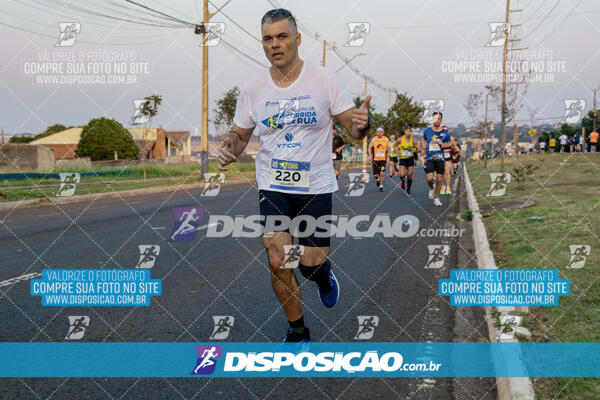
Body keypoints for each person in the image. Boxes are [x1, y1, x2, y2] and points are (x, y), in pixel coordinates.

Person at [217, 8, 371, 348]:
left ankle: (323, 274)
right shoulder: (254, 90)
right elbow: (241, 136)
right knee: (278, 258)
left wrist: (362, 122)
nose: (275, 44)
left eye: (282, 36)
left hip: (315, 186)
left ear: (297, 39)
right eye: (268, 38)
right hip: (273, 185)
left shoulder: (324, 81)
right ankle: (298, 329)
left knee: (309, 262)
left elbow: (352, 126)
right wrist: (232, 148)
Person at [422, 112, 451, 206]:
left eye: (439, 118)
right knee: (429, 178)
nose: (437, 120)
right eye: (435, 118)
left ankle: (437, 198)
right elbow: (424, 140)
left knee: (439, 179)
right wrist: (424, 148)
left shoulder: (445, 133)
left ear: (441, 120)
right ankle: (431, 188)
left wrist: (444, 145)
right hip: (430, 158)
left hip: (440, 159)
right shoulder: (427, 131)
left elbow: (450, 144)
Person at [393, 125, 420, 195]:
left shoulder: (413, 140)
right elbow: (394, 146)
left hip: (410, 159)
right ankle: (402, 181)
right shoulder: (400, 139)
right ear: (405, 131)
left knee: (410, 174)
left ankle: (408, 189)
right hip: (402, 159)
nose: (408, 132)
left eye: (409, 131)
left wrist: (416, 151)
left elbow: (419, 148)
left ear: (411, 132)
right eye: (407, 131)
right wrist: (397, 151)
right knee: (402, 174)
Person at [368, 127, 390, 192]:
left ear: (383, 132)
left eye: (381, 132)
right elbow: (369, 147)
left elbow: (389, 147)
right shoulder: (374, 139)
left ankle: (381, 186)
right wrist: (370, 156)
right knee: (375, 175)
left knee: (382, 173)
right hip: (375, 159)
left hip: (383, 160)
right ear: (376, 133)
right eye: (378, 132)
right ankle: (377, 179)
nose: (379, 133)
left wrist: (388, 153)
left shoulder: (386, 139)